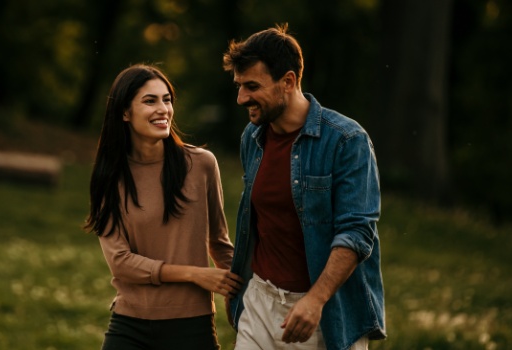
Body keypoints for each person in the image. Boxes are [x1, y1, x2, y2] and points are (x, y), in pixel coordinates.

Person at [222, 24, 386, 350]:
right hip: (260, 303)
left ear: (288, 81)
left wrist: (315, 300)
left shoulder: (346, 141)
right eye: (239, 86)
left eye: (252, 86)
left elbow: (356, 232)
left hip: (324, 311)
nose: (241, 98)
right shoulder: (252, 138)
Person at [85, 64, 244, 350]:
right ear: (124, 112)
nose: (163, 109)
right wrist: (194, 273)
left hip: (192, 325)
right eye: (150, 101)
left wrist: (240, 299)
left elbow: (220, 244)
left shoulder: (201, 165)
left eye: (166, 99)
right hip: (129, 324)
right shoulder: (110, 177)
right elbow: (120, 263)